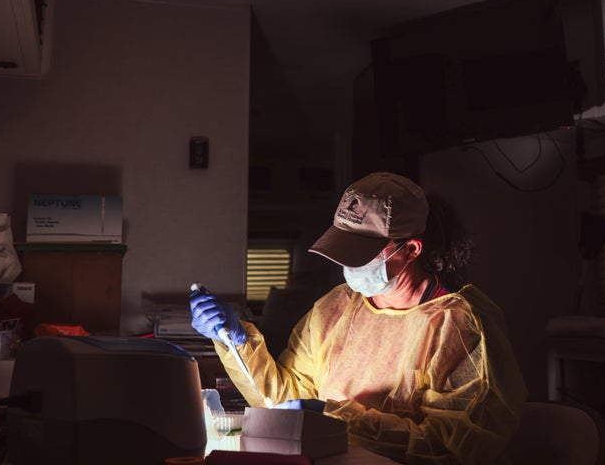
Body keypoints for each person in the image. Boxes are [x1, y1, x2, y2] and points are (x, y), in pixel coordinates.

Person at [190, 171, 527, 463]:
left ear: (411, 249)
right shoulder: (336, 308)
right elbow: (282, 402)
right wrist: (236, 342)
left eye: (361, 254)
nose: (348, 265)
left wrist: (337, 419)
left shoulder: (460, 325)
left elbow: (450, 446)